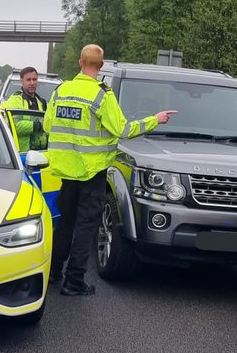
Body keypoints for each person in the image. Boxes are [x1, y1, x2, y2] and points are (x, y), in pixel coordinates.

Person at [44, 43, 176, 296]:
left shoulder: (61, 90)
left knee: (65, 222)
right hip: (92, 171)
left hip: (66, 170)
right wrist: (154, 120)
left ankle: (52, 271)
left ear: (80, 63)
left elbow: (48, 126)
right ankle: (74, 281)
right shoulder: (101, 95)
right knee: (86, 225)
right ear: (101, 65)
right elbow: (123, 130)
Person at [1, 66, 47, 153]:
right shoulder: (15, 100)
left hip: (41, 152)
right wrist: (36, 125)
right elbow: (13, 126)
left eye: (34, 79)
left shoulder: (41, 102)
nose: (32, 83)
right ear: (21, 81)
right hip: (21, 153)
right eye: (28, 80)